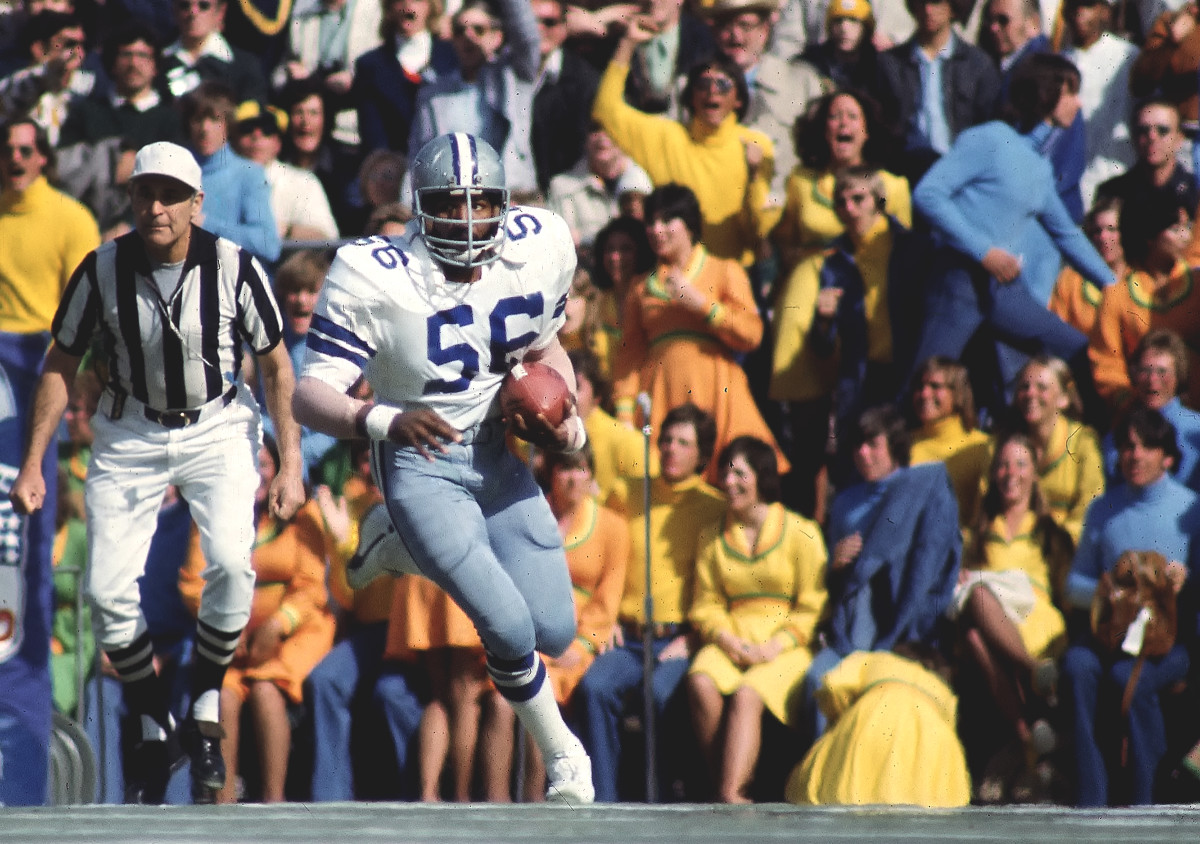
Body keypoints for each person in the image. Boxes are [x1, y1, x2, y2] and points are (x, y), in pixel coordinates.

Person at [291, 132, 594, 805]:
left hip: (495, 454)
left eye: (480, 203)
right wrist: (383, 419)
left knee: (555, 629)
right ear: (421, 210)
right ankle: (565, 756)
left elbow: (547, 347)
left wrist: (566, 419)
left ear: (503, 202)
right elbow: (308, 394)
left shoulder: (536, 247)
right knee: (508, 629)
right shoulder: (377, 271)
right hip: (419, 458)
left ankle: (396, 545)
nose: (466, 219)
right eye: (449, 206)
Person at [9, 140, 305, 804]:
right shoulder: (102, 268)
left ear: (198, 204)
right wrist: (34, 461)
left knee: (231, 564)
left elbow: (280, 365)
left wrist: (291, 460)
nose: (156, 206)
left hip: (217, 424)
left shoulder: (234, 267)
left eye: (172, 194)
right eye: (146, 192)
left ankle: (202, 707)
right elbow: (61, 360)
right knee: (109, 592)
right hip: (129, 429)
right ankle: (150, 719)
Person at [909, 53, 1114, 422]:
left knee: (1075, 351)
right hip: (956, 282)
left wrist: (1111, 284)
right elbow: (928, 194)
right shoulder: (989, 139)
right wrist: (984, 251)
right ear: (1048, 94)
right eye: (1071, 92)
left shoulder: (1038, 168)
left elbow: (1066, 233)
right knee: (924, 389)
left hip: (1003, 291)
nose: (1078, 103)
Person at [0, 115, 99, 806]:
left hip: (33, 376)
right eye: (6, 151)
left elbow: (82, 322)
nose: (16, 160)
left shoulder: (69, 217)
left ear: (46, 158)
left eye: (27, 151)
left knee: (20, 575)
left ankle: (23, 781)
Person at [575, 402, 726, 802]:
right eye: (667, 440)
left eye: (683, 443)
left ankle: (668, 801)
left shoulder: (715, 506)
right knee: (594, 688)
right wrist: (602, 622)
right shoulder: (628, 492)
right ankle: (603, 803)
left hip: (680, 638)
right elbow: (597, 543)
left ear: (702, 454)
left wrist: (695, 638)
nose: (671, 449)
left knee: (659, 695)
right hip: (627, 635)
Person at [178, 437, 334, 804]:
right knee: (225, 696)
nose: (256, 475)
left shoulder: (303, 515)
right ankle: (224, 807)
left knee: (266, 690)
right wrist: (226, 628)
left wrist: (277, 624)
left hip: (293, 634)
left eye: (263, 465)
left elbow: (311, 590)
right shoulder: (209, 518)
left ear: (279, 470)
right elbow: (192, 586)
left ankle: (274, 804)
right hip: (229, 639)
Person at [1061, 406, 1200, 806]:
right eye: (1126, 447)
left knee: (1128, 678)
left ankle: (1147, 799)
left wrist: (1182, 580)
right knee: (1077, 667)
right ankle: (1092, 799)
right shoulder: (1104, 509)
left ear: (1167, 456)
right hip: (1110, 631)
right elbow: (1074, 584)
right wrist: (1111, 595)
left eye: (1145, 447)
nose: (1134, 455)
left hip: (1170, 641)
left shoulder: (1189, 510)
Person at [800, 405, 961, 738]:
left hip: (906, 628)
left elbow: (934, 557)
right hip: (853, 628)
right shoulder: (844, 501)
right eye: (858, 444)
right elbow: (833, 582)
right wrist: (835, 564)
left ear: (895, 447)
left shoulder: (923, 487)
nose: (862, 453)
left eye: (873, 444)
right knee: (818, 679)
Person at [610, 183, 788, 482]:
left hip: (718, 390)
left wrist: (704, 305)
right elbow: (628, 357)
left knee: (731, 475)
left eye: (667, 220)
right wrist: (625, 414)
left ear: (690, 225)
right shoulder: (640, 288)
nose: (656, 230)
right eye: (651, 222)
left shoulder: (724, 270)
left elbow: (752, 334)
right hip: (660, 394)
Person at [687, 436, 827, 803]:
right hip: (733, 636)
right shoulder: (712, 537)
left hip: (786, 644)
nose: (729, 483)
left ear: (762, 476)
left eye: (740, 474)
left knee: (748, 695)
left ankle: (732, 796)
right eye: (725, 475)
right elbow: (706, 604)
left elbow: (814, 605)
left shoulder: (802, 532)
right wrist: (726, 639)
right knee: (701, 680)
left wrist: (776, 646)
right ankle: (724, 783)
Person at [593, 20, 778, 267]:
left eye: (723, 85)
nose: (712, 92)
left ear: (738, 99)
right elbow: (605, 110)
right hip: (676, 276)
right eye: (703, 84)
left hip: (734, 276)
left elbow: (758, 231)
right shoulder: (665, 136)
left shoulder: (755, 145)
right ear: (691, 96)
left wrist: (754, 177)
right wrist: (627, 44)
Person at [953, 430, 1071, 803]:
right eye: (1002, 464)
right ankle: (1028, 725)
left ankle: (1024, 741)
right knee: (976, 622)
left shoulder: (1049, 528)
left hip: (1035, 611)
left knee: (980, 616)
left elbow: (1064, 585)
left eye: (1020, 463)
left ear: (1035, 473)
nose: (1010, 472)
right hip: (993, 613)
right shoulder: (979, 530)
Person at [522, 444, 628, 801]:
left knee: (544, 693)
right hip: (533, 639)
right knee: (515, 695)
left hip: (579, 644)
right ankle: (519, 800)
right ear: (550, 473)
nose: (572, 478)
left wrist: (580, 645)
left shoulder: (613, 527)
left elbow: (607, 600)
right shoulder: (531, 517)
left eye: (581, 469)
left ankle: (547, 799)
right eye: (564, 469)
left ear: (592, 476)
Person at [785, 647, 971, 806]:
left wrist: (839, 717)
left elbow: (833, 686)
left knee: (835, 793)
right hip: (937, 750)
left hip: (872, 727)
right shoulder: (946, 692)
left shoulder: (873, 659)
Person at [406, 0, 541, 196]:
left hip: (510, 196)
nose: (468, 36)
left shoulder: (515, 76)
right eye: (460, 30)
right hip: (454, 200)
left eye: (479, 30)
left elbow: (527, 37)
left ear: (497, 37)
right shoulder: (434, 95)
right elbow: (418, 158)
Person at [702, 0, 828, 208]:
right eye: (726, 26)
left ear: (765, 30)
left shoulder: (802, 83)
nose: (736, 36)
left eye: (745, 25)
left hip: (786, 211)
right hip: (718, 213)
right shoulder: (690, 86)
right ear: (714, 32)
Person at [1089, 188, 1200, 413]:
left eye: (1186, 228)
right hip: (1142, 418)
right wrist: (1130, 404)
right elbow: (1107, 364)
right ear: (1151, 237)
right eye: (1175, 229)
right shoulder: (1117, 296)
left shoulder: (1198, 284)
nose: (1185, 237)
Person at [774, 89, 910, 272]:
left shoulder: (893, 186)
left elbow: (905, 254)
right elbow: (784, 243)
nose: (843, 123)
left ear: (867, 130)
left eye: (852, 117)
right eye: (834, 117)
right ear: (824, 130)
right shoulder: (801, 180)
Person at [876, 0, 1001, 184]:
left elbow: (989, 129)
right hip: (905, 171)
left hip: (960, 173)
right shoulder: (890, 64)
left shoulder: (978, 66)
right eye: (922, 3)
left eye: (936, 2)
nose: (928, 10)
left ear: (953, 7)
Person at [180, 81, 281, 263]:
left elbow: (268, 244)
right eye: (198, 119)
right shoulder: (176, 171)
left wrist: (207, 225)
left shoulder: (250, 174)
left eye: (214, 120)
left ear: (228, 124)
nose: (205, 129)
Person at [1009, 355, 1104, 542]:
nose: (1030, 394)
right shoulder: (1004, 443)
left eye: (1041, 387)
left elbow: (1090, 507)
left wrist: (1057, 543)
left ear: (1063, 398)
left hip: (1065, 548)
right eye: (1024, 387)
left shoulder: (1083, 442)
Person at [353, 0, 458, 156]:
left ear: (431, 6)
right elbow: (374, 138)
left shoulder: (453, 57)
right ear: (389, 8)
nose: (408, 5)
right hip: (395, 168)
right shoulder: (370, 65)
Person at [1100, 329, 1200, 492]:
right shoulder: (1117, 437)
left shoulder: (1196, 430)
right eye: (1145, 371)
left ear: (1178, 375)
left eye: (1162, 372)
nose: (1152, 380)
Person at [1060, 0, 1136, 208]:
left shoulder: (1128, 57)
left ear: (1104, 11)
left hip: (1116, 175)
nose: (1079, 13)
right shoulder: (1059, 63)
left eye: (1087, 6)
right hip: (1072, 182)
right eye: (1074, 6)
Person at [231, 99, 339, 242]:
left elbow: (328, 238)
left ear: (278, 143)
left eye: (267, 130)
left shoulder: (303, 182)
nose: (257, 136)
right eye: (247, 129)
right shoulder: (218, 180)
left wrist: (286, 230)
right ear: (234, 140)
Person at [908, 356, 992, 526]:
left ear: (958, 394)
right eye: (920, 386)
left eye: (935, 386)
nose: (924, 394)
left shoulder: (981, 446)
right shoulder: (902, 443)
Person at [160, 0, 268, 103]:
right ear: (173, 10)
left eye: (204, 5)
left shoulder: (245, 66)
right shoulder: (158, 60)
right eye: (184, 5)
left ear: (221, 11)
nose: (193, 13)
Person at [1048, 195, 1124, 337]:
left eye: (1112, 229)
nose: (1103, 237)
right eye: (1097, 231)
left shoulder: (1142, 275)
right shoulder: (1070, 280)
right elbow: (1056, 330)